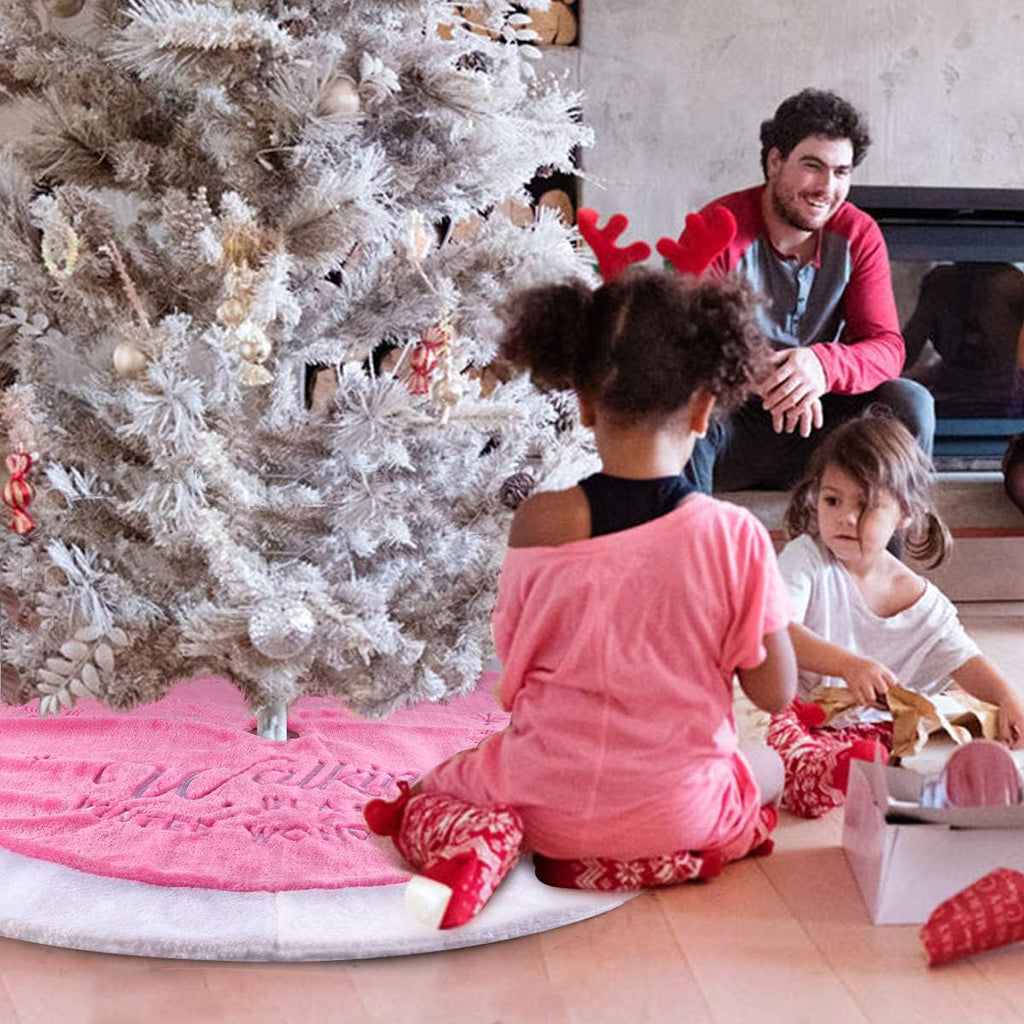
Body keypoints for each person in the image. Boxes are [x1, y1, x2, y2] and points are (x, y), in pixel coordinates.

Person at [364, 268, 797, 928]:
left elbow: (516, 660)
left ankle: (483, 844)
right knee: (764, 766)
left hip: (546, 810)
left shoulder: (537, 521)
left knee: (422, 793)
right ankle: (664, 857)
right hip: (682, 813)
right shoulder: (736, 537)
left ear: (586, 403)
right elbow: (775, 694)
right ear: (707, 407)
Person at [766, 412, 1024, 818]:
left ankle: (860, 773)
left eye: (865, 505)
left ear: (905, 513)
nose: (845, 517)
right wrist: (848, 664)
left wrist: (1007, 698)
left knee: (908, 734)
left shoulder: (924, 603)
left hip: (861, 729)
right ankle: (818, 774)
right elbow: (777, 630)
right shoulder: (807, 557)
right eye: (833, 500)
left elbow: (964, 659)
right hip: (794, 712)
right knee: (759, 733)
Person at [687, 88, 935, 493]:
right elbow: (691, 341)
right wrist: (777, 375)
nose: (827, 187)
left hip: (821, 429)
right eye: (812, 166)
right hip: (734, 429)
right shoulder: (718, 226)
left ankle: (882, 557)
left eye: (841, 172)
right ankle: (691, 548)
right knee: (686, 404)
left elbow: (888, 347)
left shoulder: (859, 233)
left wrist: (820, 367)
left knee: (910, 401)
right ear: (774, 162)